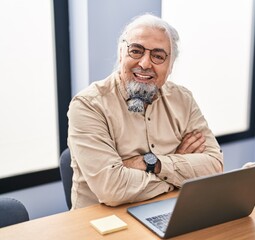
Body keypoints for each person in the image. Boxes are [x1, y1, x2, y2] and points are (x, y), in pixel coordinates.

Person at [67, 13, 224, 209]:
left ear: (171, 65)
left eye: (158, 56)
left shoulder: (183, 99)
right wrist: (178, 170)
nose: (144, 63)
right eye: (136, 51)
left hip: (167, 211)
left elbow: (214, 165)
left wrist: (153, 164)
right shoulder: (88, 105)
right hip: (102, 224)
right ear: (121, 53)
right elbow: (111, 189)